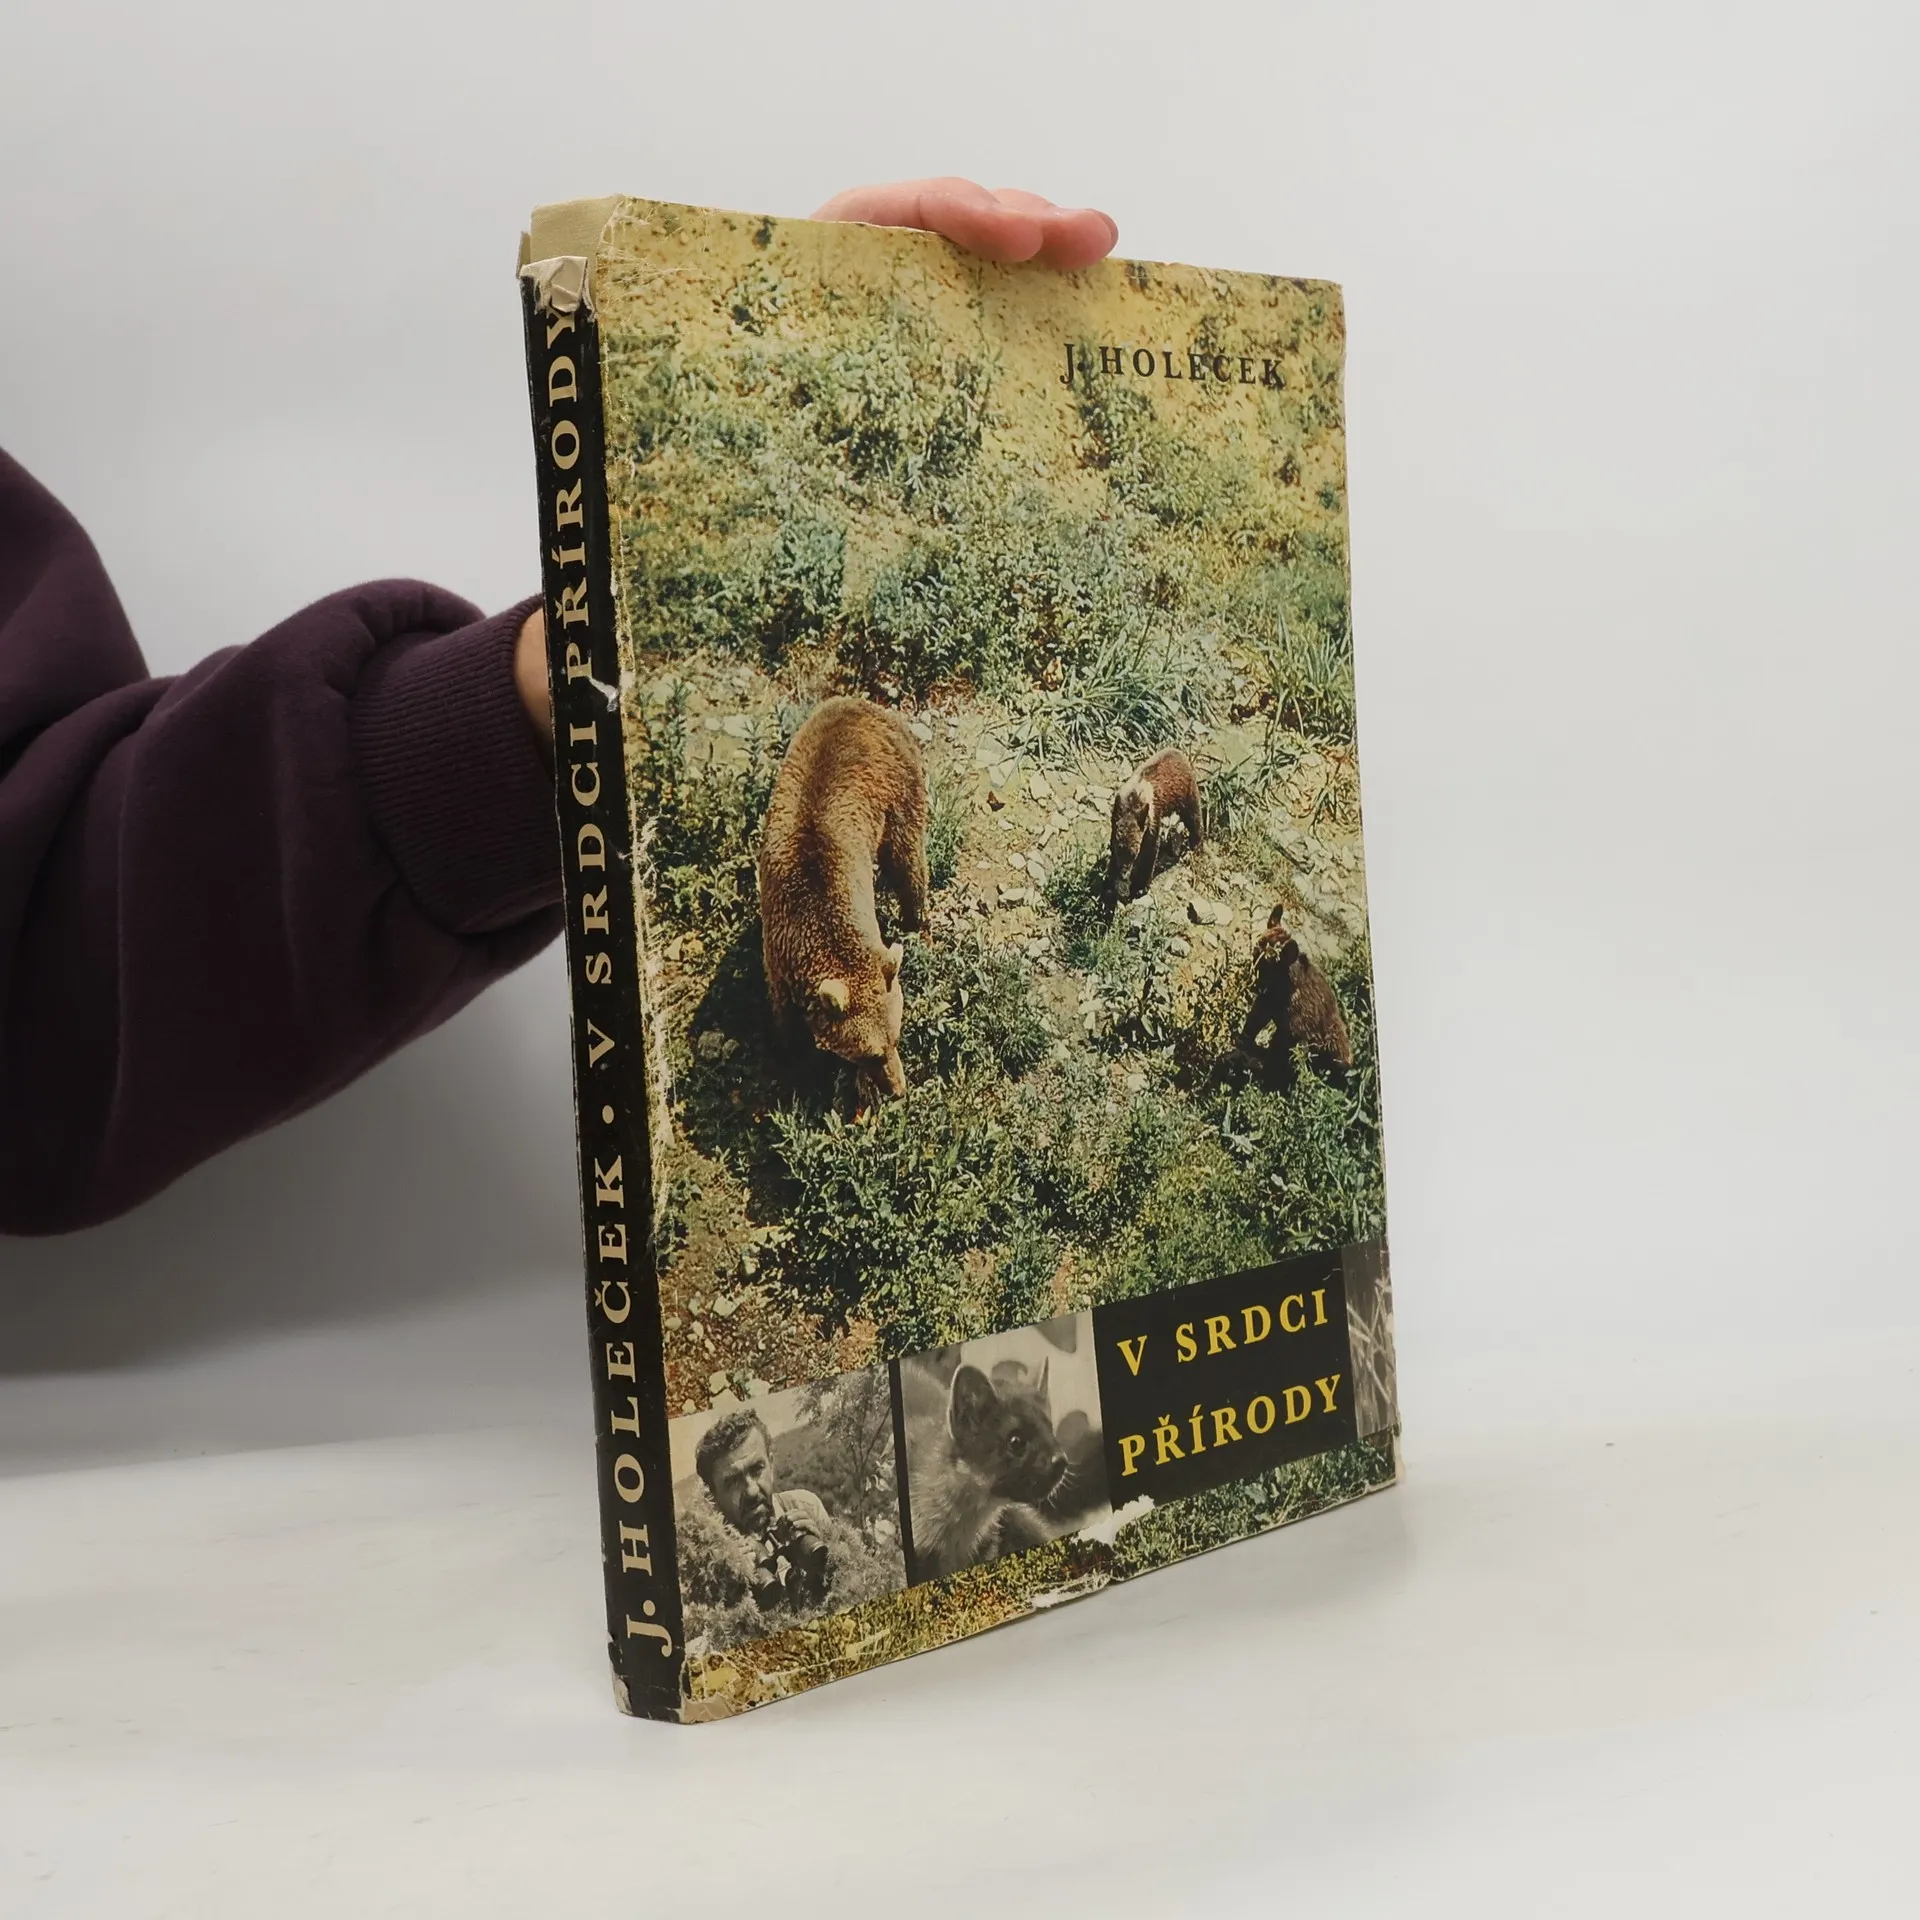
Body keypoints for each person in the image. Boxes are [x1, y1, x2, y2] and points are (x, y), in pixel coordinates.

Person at [0, 181, 1117, 1235]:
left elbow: (66, 944)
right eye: (877, 1057)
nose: (894, 1078)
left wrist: (530, 706)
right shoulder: (810, 971)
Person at [694, 1407, 833, 1614]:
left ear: (772, 1465)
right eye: (733, 1482)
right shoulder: (710, 1558)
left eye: (757, 1469)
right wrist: (730, 1594)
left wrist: (826, 1558)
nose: (751, 1490)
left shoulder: (806, 1505)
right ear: (712, 1497)